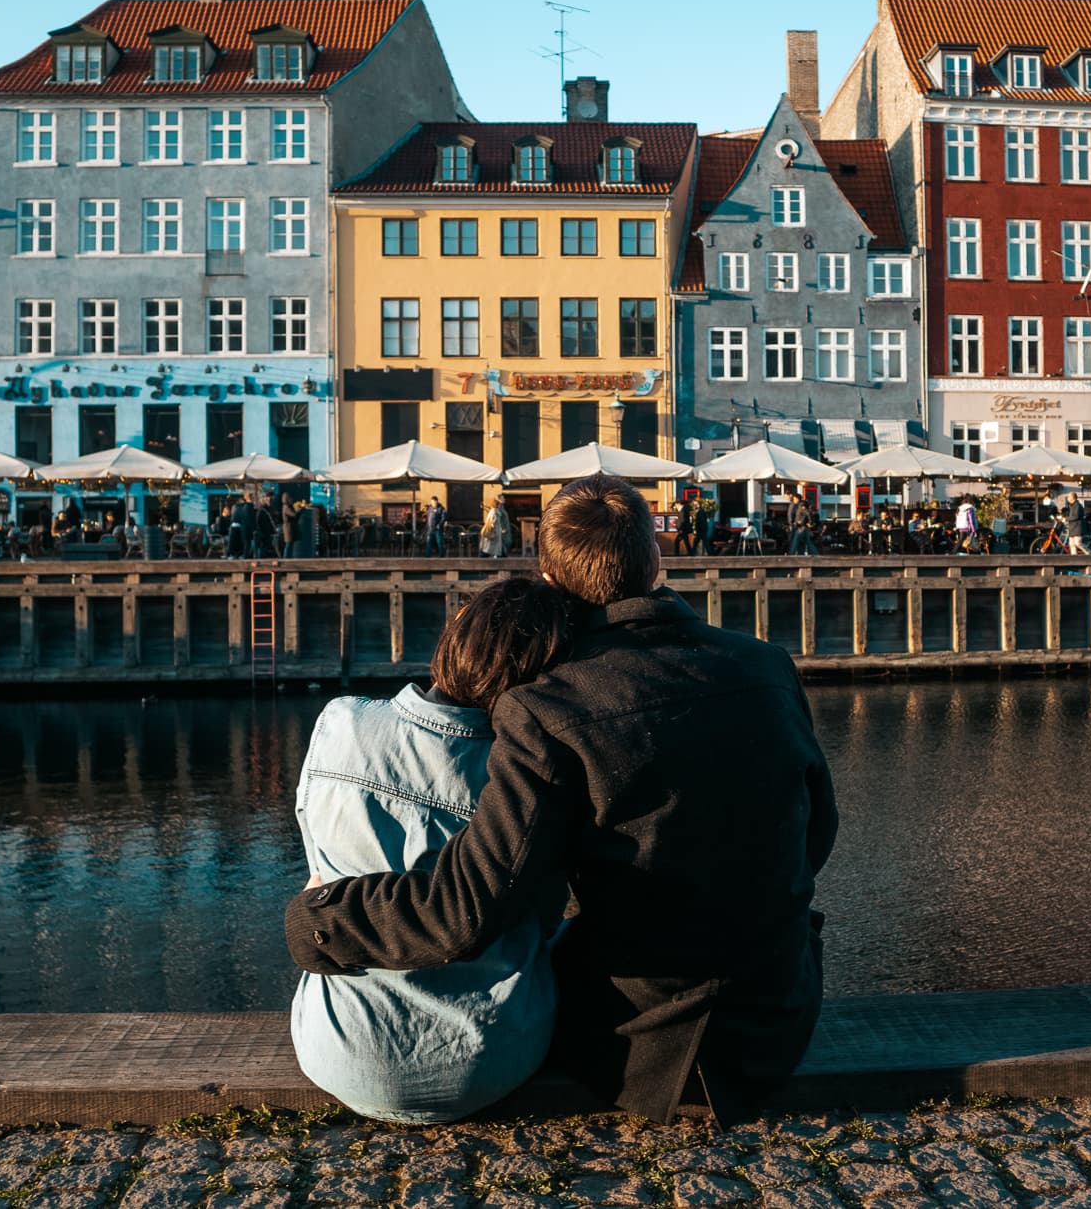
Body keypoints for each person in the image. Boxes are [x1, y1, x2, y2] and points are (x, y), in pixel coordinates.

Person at [287, 473, 837, 1124]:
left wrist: (319, 922)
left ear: (549, 575)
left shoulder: (546, 704)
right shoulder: (767, 664)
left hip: (637, 1045)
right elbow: (818, 833)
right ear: (656, 558)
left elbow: (468, 905)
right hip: (776, 1021)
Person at [291, 577, 573, 1123]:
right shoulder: (523, 784)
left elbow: (316, 867)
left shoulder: (339, 724)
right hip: (488, 1060)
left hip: (335, 1051)